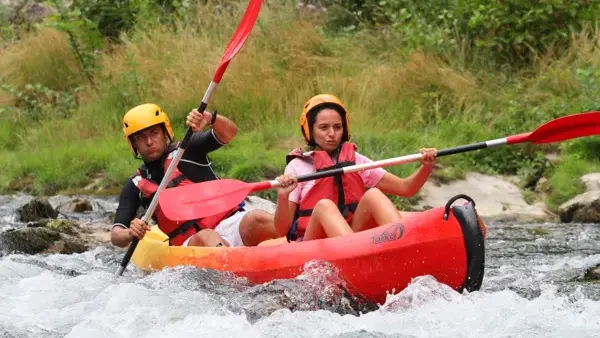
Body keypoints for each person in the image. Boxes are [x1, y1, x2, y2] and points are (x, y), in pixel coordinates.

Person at [273, 94, 437, 242]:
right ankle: (357, 251)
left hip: (350, 233)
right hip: (313, 242)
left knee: (373, 194)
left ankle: (404, 243)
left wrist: (426, 166)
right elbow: (281, 230)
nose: (332, 133)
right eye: (323, 127)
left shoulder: (356, 161)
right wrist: (282, 196)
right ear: (310, 131)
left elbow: (405, 188)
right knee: (324, 206)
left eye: (337, 127)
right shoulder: (297, 167)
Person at [110, 103, 276, 248]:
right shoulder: (135, 185)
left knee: (256, 217)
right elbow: (116, 235)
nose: (149, 142)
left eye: (154, 133)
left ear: (164, 132)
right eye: (141, 138)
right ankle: (233, 272)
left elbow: (229, 133)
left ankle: (295, 239)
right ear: (133, 144)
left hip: (230, 222)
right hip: (191, 243)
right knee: (207, 236)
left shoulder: (188, 150)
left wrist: (211, 118)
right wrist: (131, 233)